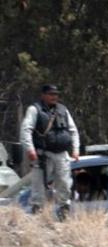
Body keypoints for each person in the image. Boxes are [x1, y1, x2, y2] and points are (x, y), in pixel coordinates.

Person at [20, 84, 80, 219]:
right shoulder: (34, 110)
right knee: (38, 186)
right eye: (51, 94)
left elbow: (73, 131)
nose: (54, 97)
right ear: (43, 95)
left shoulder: (63, 110)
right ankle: (38, 213)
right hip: (43, 155)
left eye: (56, 94)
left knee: (64, 184)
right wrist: (30, 149)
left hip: (62, 154)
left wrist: (75, 150)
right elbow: (25, 130)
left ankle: (63, 214)